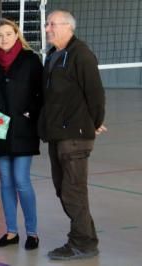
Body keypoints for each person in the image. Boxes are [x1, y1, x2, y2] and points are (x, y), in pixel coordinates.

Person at [38, 10, 106, 260]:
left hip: (75, 136)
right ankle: (87, 238)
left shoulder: (82, 55)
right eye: (47, 25)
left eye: (52, 24)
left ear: (68, 27)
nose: (47, 29)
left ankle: (81, 243)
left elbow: (96, 95)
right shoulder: (53, 56)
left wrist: (93, 122)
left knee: (73, 190)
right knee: (63, 189)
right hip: (57, 134)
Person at [0, 19, 42, 250]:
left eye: (8, 34)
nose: (4, 39)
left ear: (16, 35)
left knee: (22, 181)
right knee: (6, 182)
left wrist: (30, 113)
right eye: (0, 35)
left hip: (24, 130)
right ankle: (11, 232)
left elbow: (41, 93)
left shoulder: (31, 60)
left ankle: (32, 232)